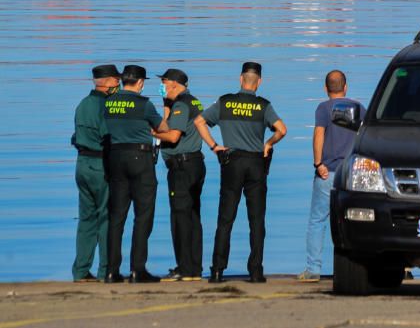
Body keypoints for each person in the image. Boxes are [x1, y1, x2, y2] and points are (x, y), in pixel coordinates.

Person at [195, 62, 286, 283]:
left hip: (231, 162)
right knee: (256, 220)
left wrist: (214, 146)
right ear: (259, 82)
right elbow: (282, 129)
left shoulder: (225, 102)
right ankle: (255, 271)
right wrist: (268, 143)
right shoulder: (263, 106)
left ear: (240, 79)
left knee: (225, 219)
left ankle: (217, 271)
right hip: (255, 163)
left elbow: (199, 121)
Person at [297, 70, 365, 282]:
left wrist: (319, 164)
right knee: (355, 221)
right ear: (346, 87)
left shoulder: (323, 108)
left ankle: (313, 270)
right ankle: (357, 266)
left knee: (318, 221)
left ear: (326, 89)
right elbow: (364, 137)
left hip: (327, 174)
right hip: (351, 175)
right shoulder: (358, 108)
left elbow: (319, 135)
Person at [103, 64, 168, 283]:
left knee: (116, 217)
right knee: (143, 216)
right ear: (140, 82)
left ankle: (111, 270)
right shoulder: (144, 104)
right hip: (140, 159)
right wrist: (166, 105)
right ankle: (137, 269)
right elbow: (164, 128)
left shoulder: (109, 102)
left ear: (122, 80)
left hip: (115, 157)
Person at [153, 68, 205, 282]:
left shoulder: (182, 105)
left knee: (180, 217)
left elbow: (173, 136)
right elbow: (169, 124)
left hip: (182, 166)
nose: (161, 86)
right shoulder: (192, 102)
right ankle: (194, 268)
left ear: (174, 84)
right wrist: (166, 106)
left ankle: (184, 268)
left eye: (164, 83)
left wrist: (151, 132)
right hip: (193, 164)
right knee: (192, 216)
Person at [71, 64, 119, 283]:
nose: (118, 83)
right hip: (100, 165)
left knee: (86, 219)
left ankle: (81, 271)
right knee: (106, 217)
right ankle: (105, 271)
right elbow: (108, 136)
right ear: (107, 81)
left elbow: (75, 136)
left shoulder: (82, 104)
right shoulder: (106, 106)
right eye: (116, 80)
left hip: (81, 165)